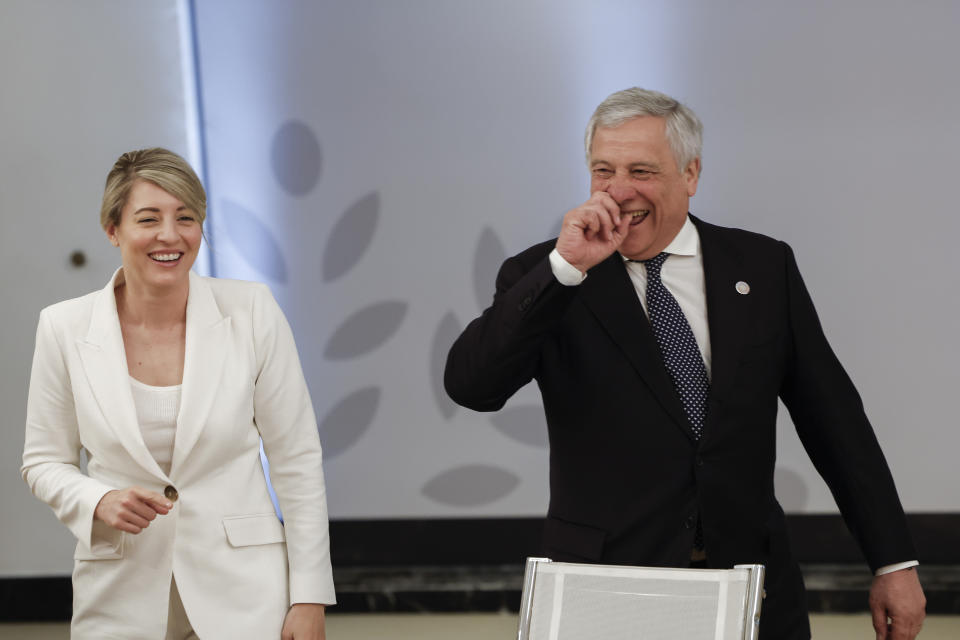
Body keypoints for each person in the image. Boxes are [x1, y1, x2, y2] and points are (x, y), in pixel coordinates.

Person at [444, 88, 925, 639]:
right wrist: (564, 271)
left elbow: (835, 421)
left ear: (691, 174)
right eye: (603, 170)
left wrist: (892, 562)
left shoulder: (763, 267)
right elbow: (471, 386)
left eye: (641, 171)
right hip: (606, 590)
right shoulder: (549, 276)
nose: (619, 192)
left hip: (753, 588)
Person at [22, 148, 334, 639]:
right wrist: (98, 498)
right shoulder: (63, 327)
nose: (170, 235)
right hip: (119, 591)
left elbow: (296, 458)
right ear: (113, 229)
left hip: (246, 594)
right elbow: (43, 461)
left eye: (186, 218)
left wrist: (309, 596)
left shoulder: (252, 311)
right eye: (149, 218)